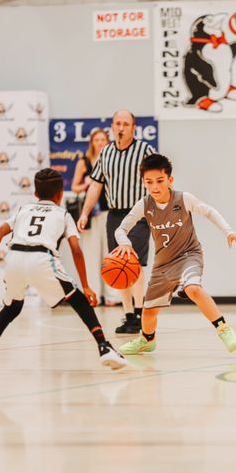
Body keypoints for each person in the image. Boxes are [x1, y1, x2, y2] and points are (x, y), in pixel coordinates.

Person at [112, 154, 236, 355]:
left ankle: (225, 330)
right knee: (148, 312)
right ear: (144, 183)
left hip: (188, 255)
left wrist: (229, 231)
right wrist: (125, 243)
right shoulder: (144, 205)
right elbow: (120, 229)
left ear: (169, 180)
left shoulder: (183, 199)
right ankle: (146, 340)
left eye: (159, 181)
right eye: (149, 182)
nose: (155, 186)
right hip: (163, 264)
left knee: (193, 289)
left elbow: (209, 211)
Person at [0, 168, 126, 371]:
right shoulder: (63, 213)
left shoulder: (24, 210)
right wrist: (86, 286)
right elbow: (76, 249)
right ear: (59, 195)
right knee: (77, 298)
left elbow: (0, 232)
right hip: (41, 258)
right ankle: (105, 347)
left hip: (13, 257)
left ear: (35, 193)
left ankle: (105, 346)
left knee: (12, 306)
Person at [77, 110, 154, 334]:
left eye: (126, 124)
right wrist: (84, 213)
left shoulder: (144, 150)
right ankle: (129, 314)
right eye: (118, 123)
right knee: (118, 265)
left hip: (138, 214)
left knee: (134, 263)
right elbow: (95, 185)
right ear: (112, 126)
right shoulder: (106, 153)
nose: (121, 128)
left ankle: (140, 314)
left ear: (133, 128)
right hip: (115, 215)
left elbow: (157, 180)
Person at [71, 128, 121, 306]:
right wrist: (86, 184)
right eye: (96, 140)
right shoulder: (84, 162)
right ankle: (92, 294)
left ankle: (112, 296)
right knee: (91, 255)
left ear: (107, 142)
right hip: (91, 214)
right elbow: (74, 186)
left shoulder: (112, 160)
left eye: (103, 139)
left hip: (110, 212)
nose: (100, 142)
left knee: (110, 254)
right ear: (92, 142)